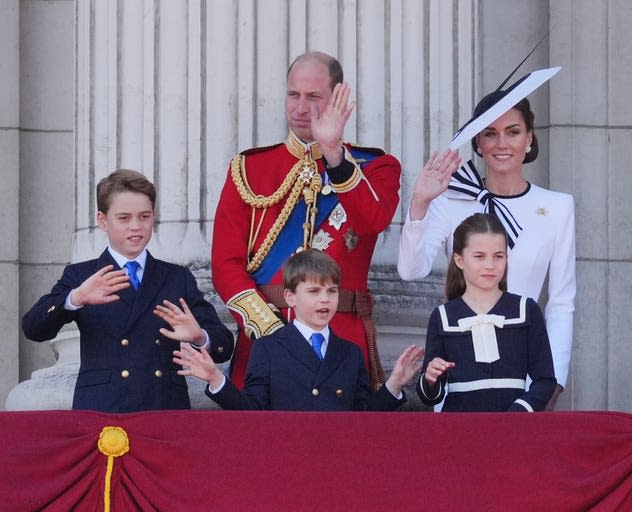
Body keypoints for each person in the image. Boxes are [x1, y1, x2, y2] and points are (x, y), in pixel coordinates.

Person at [212, 51, 401, 390]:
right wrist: (270, 330)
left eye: (313, 97)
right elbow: (226, 263)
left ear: (338, 99)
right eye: (293, 95)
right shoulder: (249, 169)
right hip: (265, 339)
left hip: (340, 339)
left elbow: (373, 221)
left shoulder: (376, 168)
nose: (301, 108)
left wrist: (334, 155)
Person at [398, 90, 575, 410]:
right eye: (490, 133)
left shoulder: (558, 207)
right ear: (478, 142)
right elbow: (411, 270)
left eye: (513, 132)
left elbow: (561, 302)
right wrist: (420, 202)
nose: (502, 143)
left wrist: (554, 383)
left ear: (530, 138)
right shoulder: (450, 200)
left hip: (525, 374)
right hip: (460, 368)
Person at [22, 169, 234, 412]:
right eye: (124, 218)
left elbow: (223, 347)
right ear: (103, 220)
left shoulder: (176, 277)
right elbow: (33, 328)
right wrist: (75, 298)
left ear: (153, 216)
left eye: (144, 216)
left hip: (163, 406)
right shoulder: (81, 275)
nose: (136, 226)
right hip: (103, 407)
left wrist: (200, 337)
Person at [175, 249, 423, 411]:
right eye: (314, 292)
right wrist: (216, 379)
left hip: (337, 463)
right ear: (290, 297)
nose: (325, 300)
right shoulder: (268, 348)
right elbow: (252, 410)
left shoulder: (350, 352)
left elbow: (363, 416)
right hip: (286, 463)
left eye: (332, 291)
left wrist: (394, 384)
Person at [416, 213, 556, 412]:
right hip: (459, 431)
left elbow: (545, 381)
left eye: (498, 256)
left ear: (507, 258)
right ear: (459, 260)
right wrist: (431, 378)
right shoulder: (443, 317)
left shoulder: (526, 310)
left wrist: (518, 413)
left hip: (513, 431)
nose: (490, 265)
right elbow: (429, 397)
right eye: (479, 256)